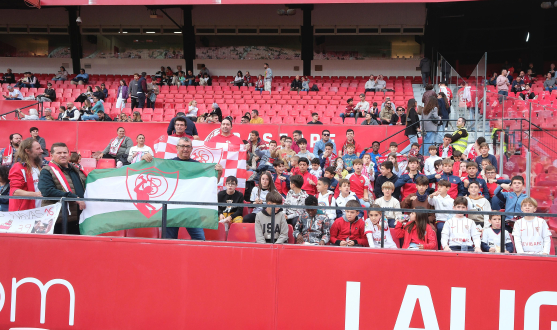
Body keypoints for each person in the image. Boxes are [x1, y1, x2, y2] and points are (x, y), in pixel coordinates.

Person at [151, 137, 222, 240]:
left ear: (191, 148)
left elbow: (210, 183)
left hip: (191, 209)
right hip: (172, 208)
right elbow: (152, 174)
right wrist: (146, 159)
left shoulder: (197, 166)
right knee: (168, 241)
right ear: (177, 148)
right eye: (182, 146)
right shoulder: (169, 164)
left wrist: (219, 173)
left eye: (188, 146)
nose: (185, 149)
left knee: (200, 239)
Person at [38, 142, 86, 235]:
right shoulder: (47, 171)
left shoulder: (75, 169)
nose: (63, 155)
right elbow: (47, 191)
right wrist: (72, 197)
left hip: (78, 218)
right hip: (59, 220)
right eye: (59, 153)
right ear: (51, 155)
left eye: (65, 152)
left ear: (69, 154)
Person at [8, 138, 43, 211]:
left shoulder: (40, 167)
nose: (42, 151)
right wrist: (36, 194)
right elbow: (15, 191)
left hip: (39, 211)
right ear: (27, 151)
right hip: (24, 213)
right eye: (38, 149)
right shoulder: (18, 167)